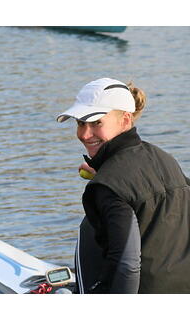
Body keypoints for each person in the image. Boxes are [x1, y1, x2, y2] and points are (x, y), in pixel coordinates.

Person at [56, 77, 190, 293]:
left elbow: (126, 265)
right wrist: (106, 175)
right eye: (81, 123)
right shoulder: (164, 158)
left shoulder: (108, 185)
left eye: (96, 123)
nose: (85, 134)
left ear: (126, 120)